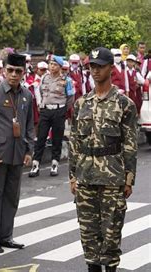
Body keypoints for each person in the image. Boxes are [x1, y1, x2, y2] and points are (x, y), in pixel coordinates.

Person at [69, 47, 138, 272]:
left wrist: (129, 179)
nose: (95, 70)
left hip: (112, 177)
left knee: (111, 233)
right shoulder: (81, 103)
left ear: (111, 67)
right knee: (88, 233)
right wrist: (72, 176)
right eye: (92, 66)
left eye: (100, 66)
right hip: (86, 175)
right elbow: (75, 143)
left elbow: (130, 143)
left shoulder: (124, 103)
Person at [0, 53, 34, 253]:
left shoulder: (26, 95)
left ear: (23, 73)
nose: (13, 74)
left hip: (18, 153)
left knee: (12, 197)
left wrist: (30, 150)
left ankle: (6, 236)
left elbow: (29, 125)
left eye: (18, 71)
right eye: (10, 70)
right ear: (3, 70)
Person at [29, 56, 74, 177]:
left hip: (59, 110)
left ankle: (55, 163)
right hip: (46, 110)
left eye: (55, 64)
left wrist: (64, 110)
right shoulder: (44, 78)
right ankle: (36, 163)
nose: (52, 66)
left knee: (57, 138)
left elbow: (70, 97)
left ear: (60, 66)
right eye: (51, 64)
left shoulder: (66, 80)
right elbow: (41, 92)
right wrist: (41, 105)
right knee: (41, 137)